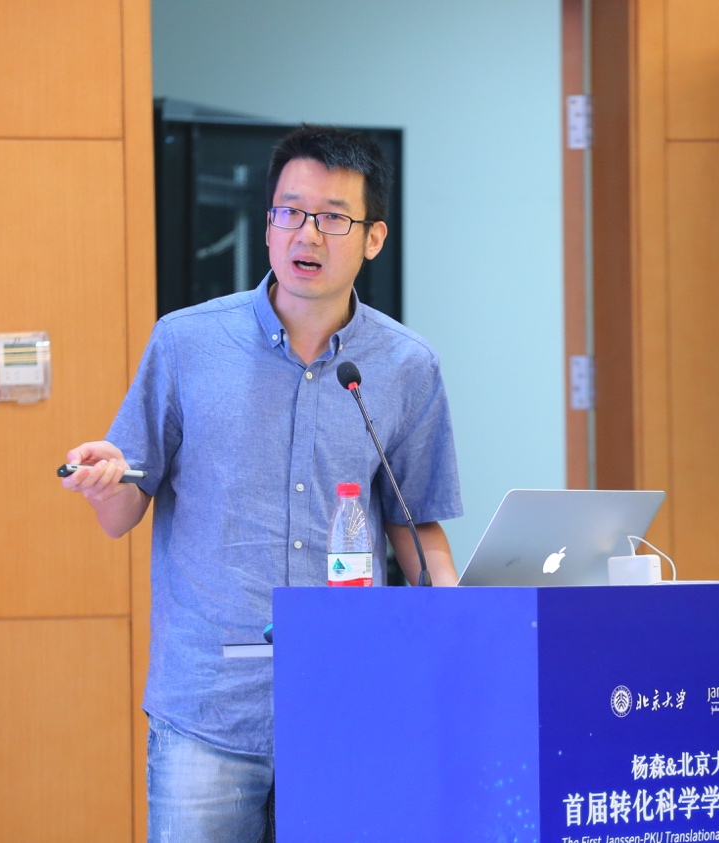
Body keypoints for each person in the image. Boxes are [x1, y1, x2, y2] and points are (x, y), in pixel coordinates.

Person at [62, 124, 463, 843]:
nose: (306, 234)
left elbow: (414, 519)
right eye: (290, 211)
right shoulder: (185, 342)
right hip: (209, 708)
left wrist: (458, 621)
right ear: (270, 220)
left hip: (346, 698)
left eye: (332, 217)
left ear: (373, 237)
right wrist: (104, 484)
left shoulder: (406, 365)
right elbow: (123, 511)